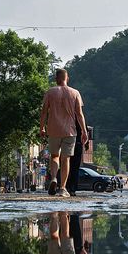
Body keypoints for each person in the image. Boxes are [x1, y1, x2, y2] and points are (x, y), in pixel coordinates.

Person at [40, 69, 88, 198]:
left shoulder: (50, 92)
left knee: (55, 156)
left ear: (56, 79)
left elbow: (44, 111)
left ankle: (54, 178)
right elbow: (79, 114)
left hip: (53, 129)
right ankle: (62, 189)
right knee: (66, 158)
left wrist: (42, 128)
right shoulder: (75, 93)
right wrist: (84, 130)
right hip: (70, 131)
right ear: (67, 78)